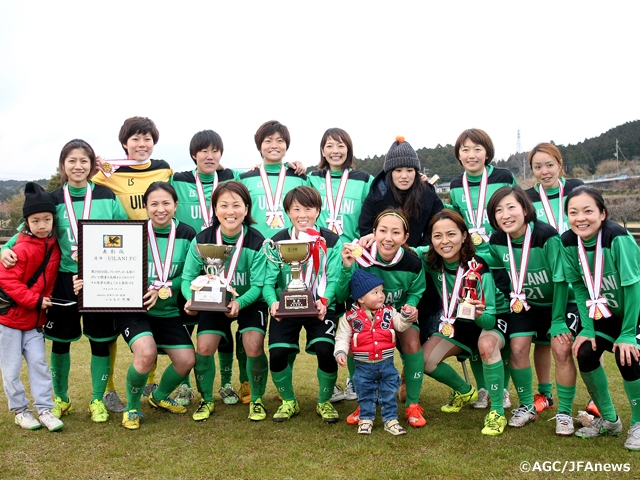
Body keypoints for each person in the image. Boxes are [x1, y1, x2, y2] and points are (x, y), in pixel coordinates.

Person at [1, 140, 129, 422]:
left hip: (100, 278)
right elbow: (26, 232)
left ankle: (97, 400)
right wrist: (3, 248)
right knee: (60, 341)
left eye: (84, 160)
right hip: (62, 280)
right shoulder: (54, 199)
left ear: (92, 164)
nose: (78, 166)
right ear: (63, 165)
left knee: (100, 340)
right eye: (72, 160)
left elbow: (124, 232)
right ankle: (60, 398)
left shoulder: (107, 196)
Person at [92, 116, 174, 411]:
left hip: (158, 257)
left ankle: (151, 382)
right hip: (121, 257)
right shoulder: (109, 171)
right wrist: (93, 165)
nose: (142, 144)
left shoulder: (165, 169)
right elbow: (83, 192)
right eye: (135, 139)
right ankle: (109, 389)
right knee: (112, 326)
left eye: (147, 138)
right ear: (124, 143)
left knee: (151, 318)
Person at [102, 182, 197, 429]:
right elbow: (115, 266)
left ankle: (158, 397)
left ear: (176, 205)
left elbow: (190, 274)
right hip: (136, 310)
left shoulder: (188, 234)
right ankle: (132, 407)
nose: (160, 209)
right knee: (146, 353)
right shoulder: (133, 232)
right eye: (154, 204)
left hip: (169, 311)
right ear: (145, 207)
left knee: (186, 360)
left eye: (166, 203)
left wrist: (163, 288)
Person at [486, 186, 577, 434]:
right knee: (517, 349)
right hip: (526, 304)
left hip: (559, 302)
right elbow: (498, 272)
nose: (505, 214)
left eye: (511, 207)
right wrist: (512, 296)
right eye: (498, 210)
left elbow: (561, 280)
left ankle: (565, 413)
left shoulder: (546, 236)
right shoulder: (496, 240)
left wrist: (558, 318)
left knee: (561, 348)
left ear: (525, 209)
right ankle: (526, 406)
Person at [415, 209, 509, 435]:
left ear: (464, 235)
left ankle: (497, 412)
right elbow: (401, 247)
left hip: (489, 321)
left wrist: (478, 314)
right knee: (424, 360)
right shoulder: (431, 260)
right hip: (456, 322)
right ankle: (465, 391)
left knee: (486, 346)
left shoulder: (479, 268)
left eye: (451, 234)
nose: (444, 241)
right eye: (437, 236)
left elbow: (489, 319)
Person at [181, 181, 269, 422]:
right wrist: (191, 299)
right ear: (215, 209)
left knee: (253, 345)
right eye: (224, 205)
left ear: (246, 208)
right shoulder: (202, 239)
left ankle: (257, 397)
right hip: (212, 301)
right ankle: (206, 400)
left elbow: (259, 285)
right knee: (205, 347)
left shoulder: (257, 241)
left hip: (249, 301)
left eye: (236, 205)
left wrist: (240, 302)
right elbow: (188, 276)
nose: (230, 211)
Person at [561, 186, 640, 450]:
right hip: (605, 313)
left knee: (627, 355)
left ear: (602, 213)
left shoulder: (617, 237)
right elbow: (580, 286)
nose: (580, 218)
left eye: (588, 211)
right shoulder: (569, 241)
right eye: (573, 212)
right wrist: (588, 328)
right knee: (584, 350)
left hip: (634, 311)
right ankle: (609, 420)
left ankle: (639, 424)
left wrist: (628, 333)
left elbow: (633, 288)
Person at [170, 130, 242, 406]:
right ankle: (186, 385)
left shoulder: (230, 177)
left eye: (215, 151)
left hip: (224, 258)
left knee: (221, 327)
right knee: (188, 327)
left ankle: (225, 384)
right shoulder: (178, 179)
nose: (209, 156)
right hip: (192, 256)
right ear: (193, 155)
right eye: (204, 151)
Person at [337, 209, 426, 428]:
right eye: (383, 231)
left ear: (405, 238)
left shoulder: (413, 261)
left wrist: (411, 306)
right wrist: (347, 268)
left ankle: (412, 405)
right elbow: (341, 295)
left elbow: (416, 290)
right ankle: (363, 401)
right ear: (373, 232)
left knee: (412, 341)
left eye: (396, 232)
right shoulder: (361, 257)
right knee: (354, 342)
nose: (388, 238)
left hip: (397, 315)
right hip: (366, 317)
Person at [448, 128, 517, 410]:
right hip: (471, 265)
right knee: (474, 323)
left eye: (477, 148)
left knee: (504, 327)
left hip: (503, 261)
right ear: (458, 155)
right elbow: (455, 221)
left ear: (487, 152)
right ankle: (484, 389)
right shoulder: (455, 184)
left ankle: (504, 389)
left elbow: (513, 211)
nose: (471, 154)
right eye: (465, 149)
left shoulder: (503, 177)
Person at [307, 128, 373, 403]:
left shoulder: (363, 179)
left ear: (349, 149)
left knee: (356, 321)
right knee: (329, 323)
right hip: (320, 261)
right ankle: (332, 383)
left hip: (353, 260)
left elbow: (372, 214)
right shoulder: (311, 177)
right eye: (330, 145)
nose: (336, 150)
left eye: (341, 145)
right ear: (322, 150)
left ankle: (354, 382)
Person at [263, 187, 339, 423]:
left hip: (319, 307)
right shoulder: (278, 241)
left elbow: (334, 277)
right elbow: (268, 281)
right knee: (277, 354)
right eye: (296, 209)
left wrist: (324, 300)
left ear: (318, 211)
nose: (302, 214)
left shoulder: (331, 240)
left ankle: (324, 402)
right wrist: (273, 302)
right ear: (287, 211)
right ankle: (289, 402)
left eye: (308, 208)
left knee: (327, 351)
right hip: (286, 307)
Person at [526, 142, 590, 416]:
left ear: (560, 163)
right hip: (548, 280)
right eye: (538, 167)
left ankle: (594, 398)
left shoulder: (576, 188)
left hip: (583, 274)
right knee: (543, 340)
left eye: (549, 164)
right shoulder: (527, 197)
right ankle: (545, 394)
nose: (545, 171)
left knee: (587, 340)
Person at [0, 182, 63, 432]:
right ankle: (20, 410)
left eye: (46, 219)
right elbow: (7, 281)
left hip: (35, 322)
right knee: (12, 369)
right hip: (11, 321)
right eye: (35, 221)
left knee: (39, 364)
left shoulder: (54, 245)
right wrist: (36, 301)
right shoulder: (20, 248)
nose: (41, 225)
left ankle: (45, 408)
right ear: (26, 222)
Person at [334, 269, 414, 435]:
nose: (381, 295)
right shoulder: (350, 317)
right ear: (361, 298)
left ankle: (391, 420)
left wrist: (406, 316)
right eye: (375, 292)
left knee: (389, 392)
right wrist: (340, 352)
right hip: (362, 365)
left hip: (387, 363)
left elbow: (400, 325)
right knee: (364, 393)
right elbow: (342, 337)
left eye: (382, 291)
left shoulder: (389, 312)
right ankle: (366, 419)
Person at [239, 120, 307, 239]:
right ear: (259, 146)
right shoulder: (245, 179)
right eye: (268, 141)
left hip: (292, 246)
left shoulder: (300, 178)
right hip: (254, 247)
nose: (274, 145)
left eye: (280, 141)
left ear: (286, 146)